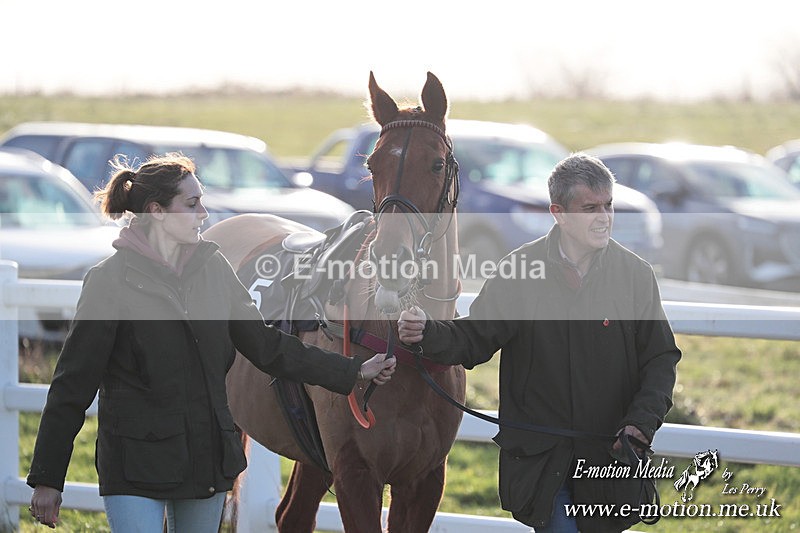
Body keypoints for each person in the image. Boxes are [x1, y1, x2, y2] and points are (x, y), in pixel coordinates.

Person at [27, 153, 396, 531]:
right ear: (157, 212)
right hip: (135, 464)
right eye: (192, 204)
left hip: (206, 460)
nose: (204, 213)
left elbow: (268, 347)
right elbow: (72, 384)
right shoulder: (108, 282)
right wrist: (47, 477)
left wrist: (353, 371)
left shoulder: (214, 268)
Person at [398, 153, 680, 532]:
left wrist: (640, 424)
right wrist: (427, 332)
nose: (604, 217)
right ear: (559, 213)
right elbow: (474, 338)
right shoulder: (519, 271)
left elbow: (660, 359)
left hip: (610, 462)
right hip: (542, 463)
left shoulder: (635, 276)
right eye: (590, 208)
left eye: (608, 205)